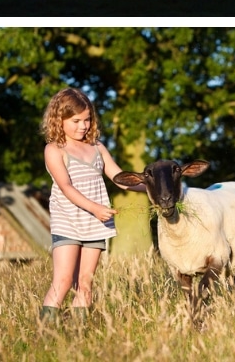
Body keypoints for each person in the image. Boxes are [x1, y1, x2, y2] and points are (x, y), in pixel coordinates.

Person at [40, 88, 145, 323]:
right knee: (64, 279)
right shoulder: (54, 149)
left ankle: (78, 335)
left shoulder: (97, 147)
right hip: (68, 220)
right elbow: (66, 187)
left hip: (96, 223)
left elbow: (119, 177)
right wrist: (95, 207)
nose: (83, 126)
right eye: (75, 120)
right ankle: (43, 334)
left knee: (85, 281)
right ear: (59, 120)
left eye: (87, 120)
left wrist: (151, 187)